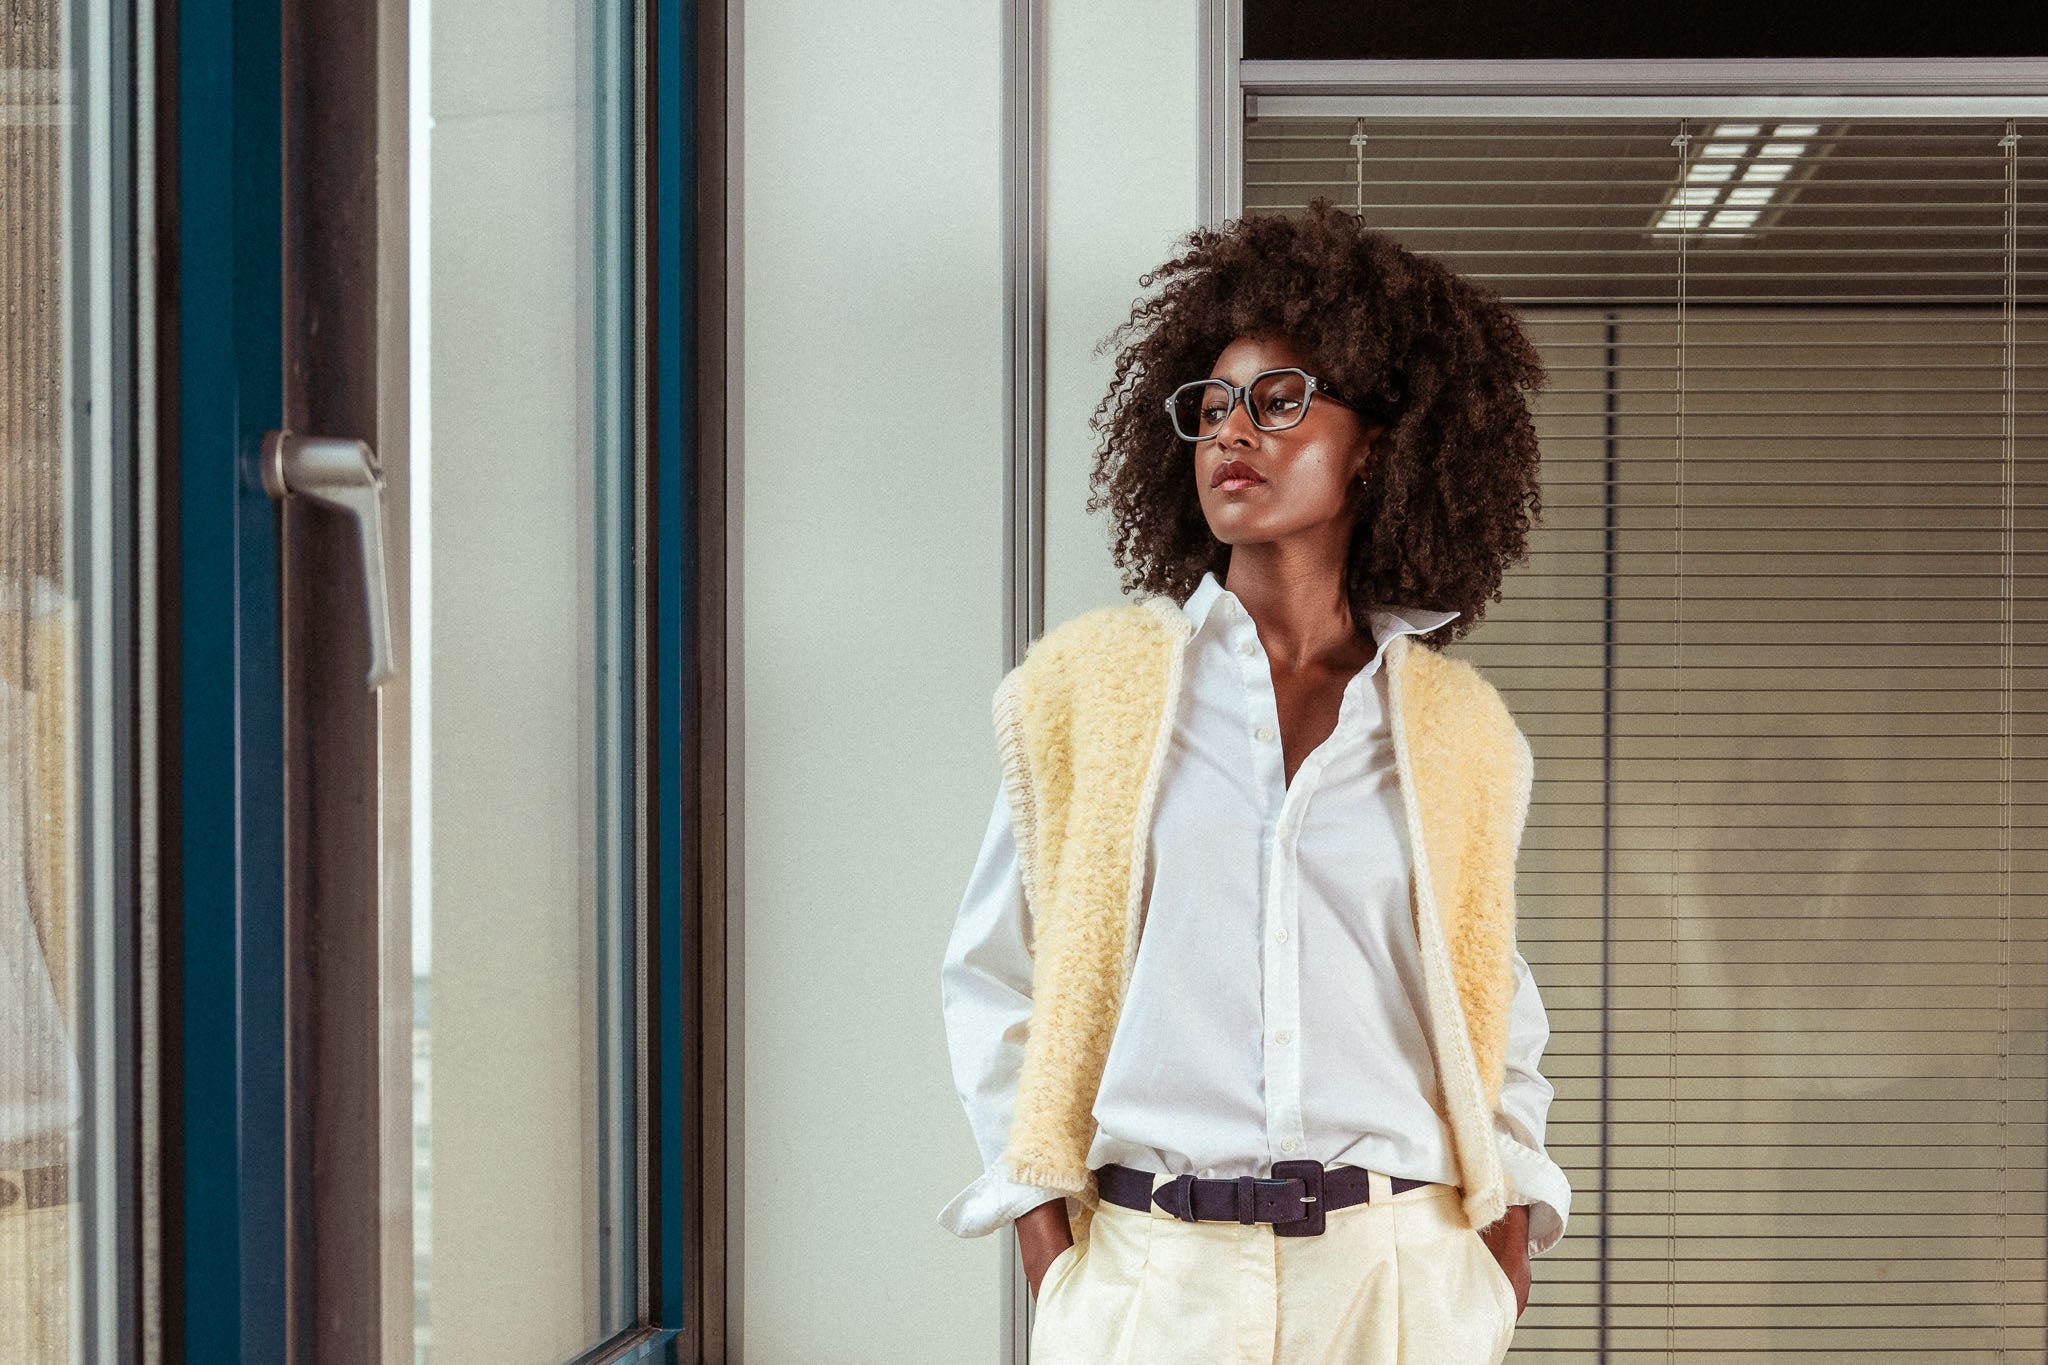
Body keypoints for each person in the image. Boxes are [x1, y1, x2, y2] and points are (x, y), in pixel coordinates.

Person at [939, 198, 1567, 1364]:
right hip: (1150, 1282)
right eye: (1212, 406)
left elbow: (1493, 1000)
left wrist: (1505, 1237)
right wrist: (1047, 1242)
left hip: (1399, 1280)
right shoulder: (1089, 694)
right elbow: (993, 977)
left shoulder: (1454, 729)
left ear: (1376, 440)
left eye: (1280, 401)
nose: (1234, 432)